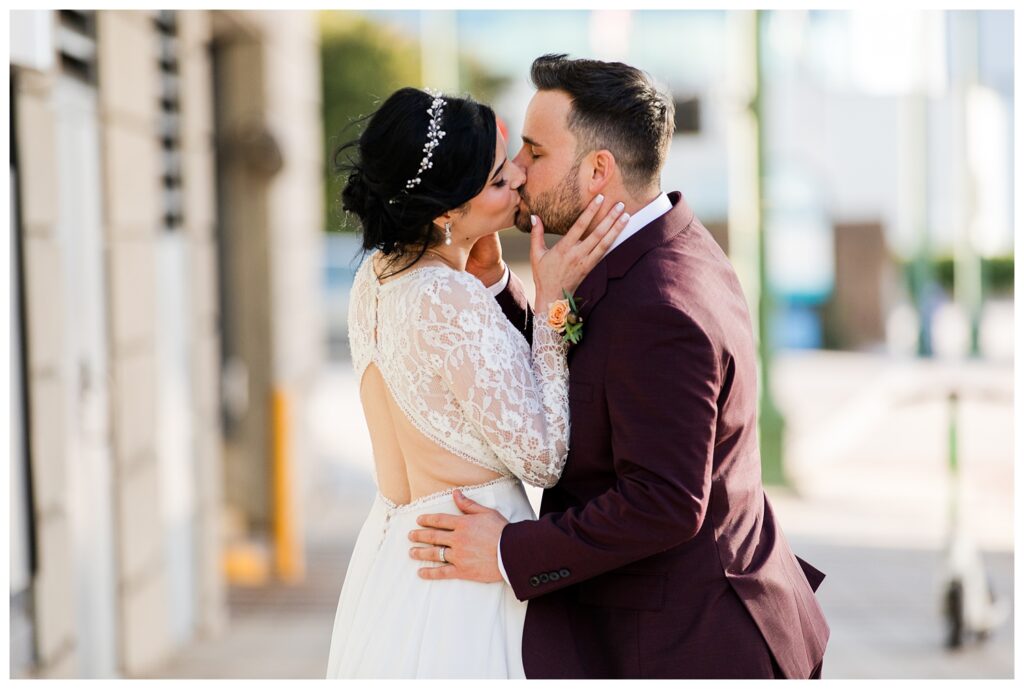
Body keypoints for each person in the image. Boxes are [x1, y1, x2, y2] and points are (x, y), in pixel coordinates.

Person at [408, 54, 831, 679]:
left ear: (598, 169)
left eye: (533, 152)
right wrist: (504, 286)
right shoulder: (657, 241)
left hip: (687, 646)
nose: (516, 172)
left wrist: (505, 550)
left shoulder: (661, 305)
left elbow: (661, 500)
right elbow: (595, 374)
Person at [324, 86, 628, 678]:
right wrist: (549, 308)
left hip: (396, 567)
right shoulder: (448, 297)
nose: (518, 177)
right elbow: (543, 460)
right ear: (444, 212)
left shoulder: (377, 280)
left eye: (508, 156)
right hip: (465, 580)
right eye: (495, 180)